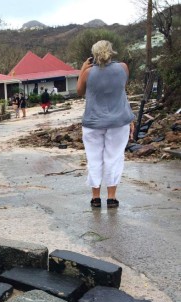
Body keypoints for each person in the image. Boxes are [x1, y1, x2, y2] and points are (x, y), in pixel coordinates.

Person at [77, 40, 135, 208]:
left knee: (94, 159)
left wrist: (82, 69)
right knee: (114, 158)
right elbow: (121, 90)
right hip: (119, 120)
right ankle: (111, 197)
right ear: (111, 52)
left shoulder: (88, 72)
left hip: (92, 122)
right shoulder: (123, 68)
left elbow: (80, 92)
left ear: (93, 54)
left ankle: (95, 198)